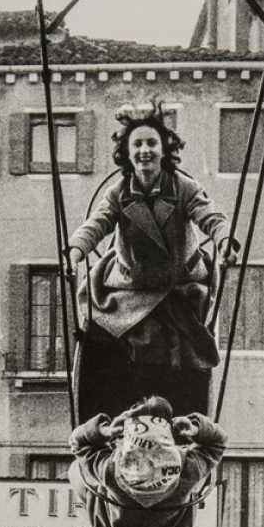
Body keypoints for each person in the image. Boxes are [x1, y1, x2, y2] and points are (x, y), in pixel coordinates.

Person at [68, 100, 238, 380]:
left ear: (163, 150)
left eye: (151, 143)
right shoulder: (118, 193)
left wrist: (225, 241)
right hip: (131, 288)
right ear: (127, 153)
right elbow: (96, 225)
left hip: (178, 287)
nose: (144, 150)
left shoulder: (184, 188)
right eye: (137, 144)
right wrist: (74, 251)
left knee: (170, 342)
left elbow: (211, 217)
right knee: (106, 338)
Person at [69, 396, 226, 527]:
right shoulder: (187, 468)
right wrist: (196, 429)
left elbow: (77, 442)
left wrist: (105, 431)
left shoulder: (111, 469)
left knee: (76, 468)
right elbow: (218, 443)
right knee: (199, 478)